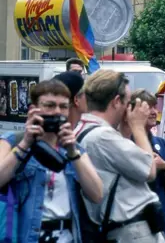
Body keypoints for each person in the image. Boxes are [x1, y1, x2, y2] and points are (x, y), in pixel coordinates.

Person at [0, 79, 103, 243]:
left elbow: (97, 195)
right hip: (25, 235)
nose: (57, 111)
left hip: (65, 236)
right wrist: (25, 144)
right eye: (49, 105)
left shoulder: (73, 149)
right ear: (33, 109)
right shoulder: (12, 142)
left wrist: (72, 153)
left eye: (63, 106)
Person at [76, 69, 165, 243]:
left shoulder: (83, 128)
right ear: (117, 101)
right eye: (127, 101)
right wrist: (138, 127)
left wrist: (125, 127)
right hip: (132, 230)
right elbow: (148, 169)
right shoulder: (102, 136)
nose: (128, 107)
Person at [124, 89, 165, 243]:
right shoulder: (123, 144)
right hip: (132, 226)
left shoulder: (161, 145)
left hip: (162, 224)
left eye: (154, 107)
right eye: (148, 108)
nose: (154, 112)